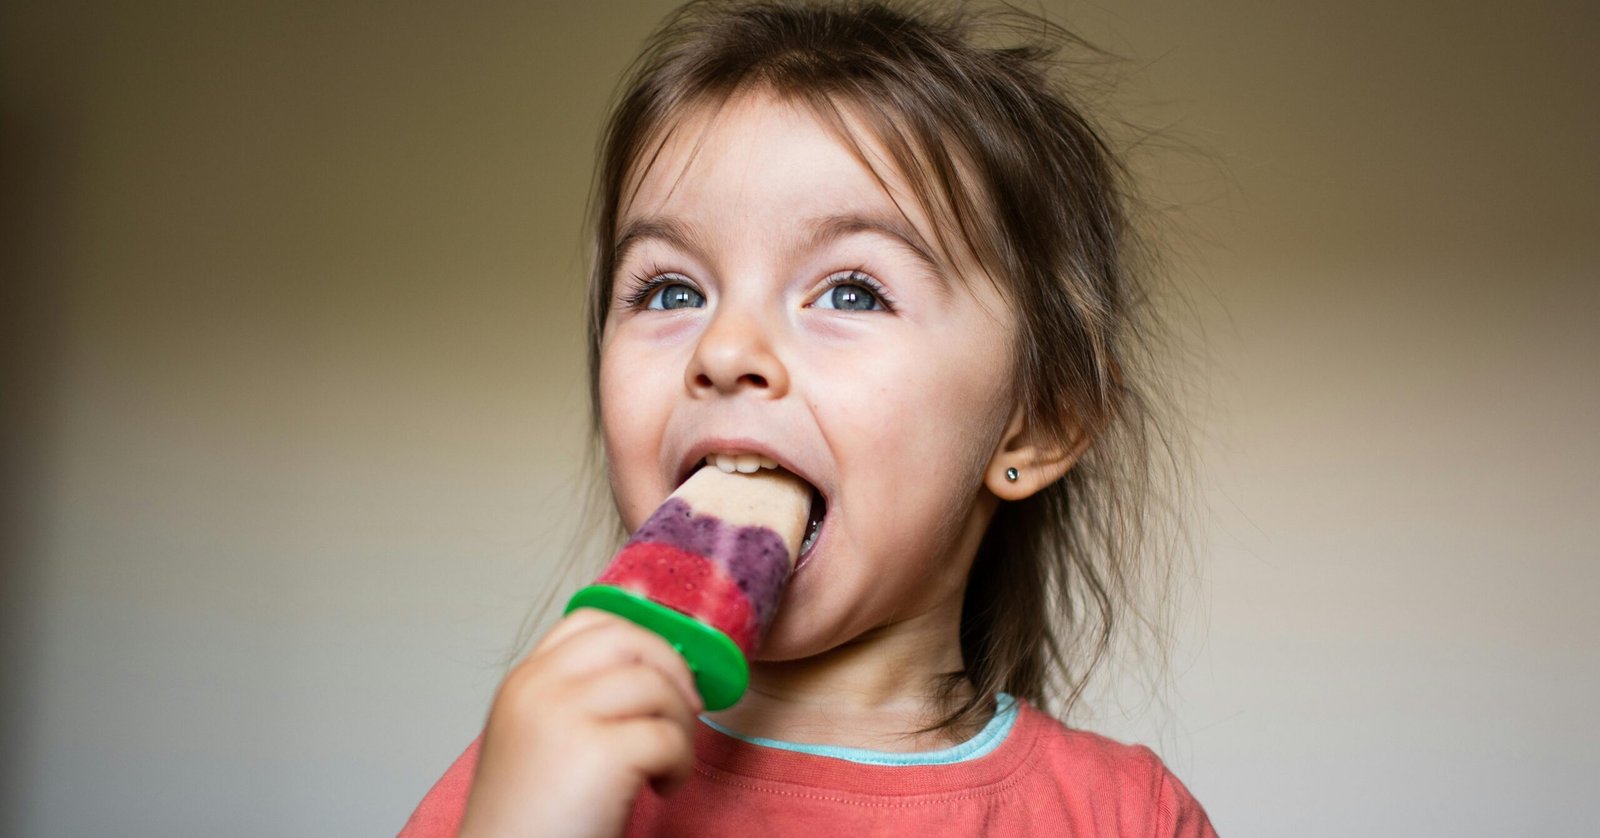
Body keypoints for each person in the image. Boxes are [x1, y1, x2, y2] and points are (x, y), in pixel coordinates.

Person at [402, 1, 1215, 834]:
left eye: (851, 291)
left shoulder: (1123, 816)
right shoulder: (531, 778)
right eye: (671, 290)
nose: (723, 348)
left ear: (1035, 423)